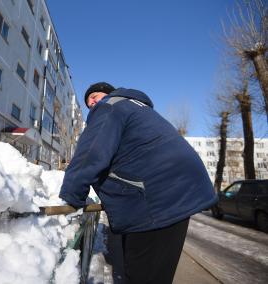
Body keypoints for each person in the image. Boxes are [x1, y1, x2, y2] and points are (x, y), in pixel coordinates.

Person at [59, 82, 217, 284]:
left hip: (156, 199)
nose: (92, 103)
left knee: (142, 276)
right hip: (180, 192)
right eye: (88, 101)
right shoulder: (136, 108)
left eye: (95, 96)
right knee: (157, 274)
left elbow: (91, 153)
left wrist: (72, 196)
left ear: (109, 94)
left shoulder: (110, 106)